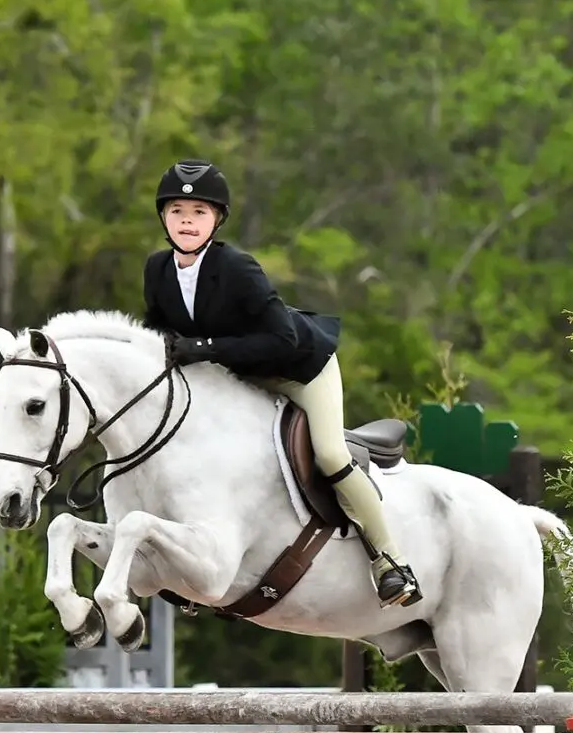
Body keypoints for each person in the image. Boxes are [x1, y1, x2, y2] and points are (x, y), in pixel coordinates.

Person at [140, 158, 421, 608]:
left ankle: (391, 561)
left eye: (199, 213)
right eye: (177, 212)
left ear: (216, 220)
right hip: (239, 379)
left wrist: (206, 347)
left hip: (299, 370)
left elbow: (280, 338)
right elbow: (158, 333)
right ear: (163, 218)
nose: (187, 222)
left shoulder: (237, 268)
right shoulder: (158, 270)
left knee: (330, 454)